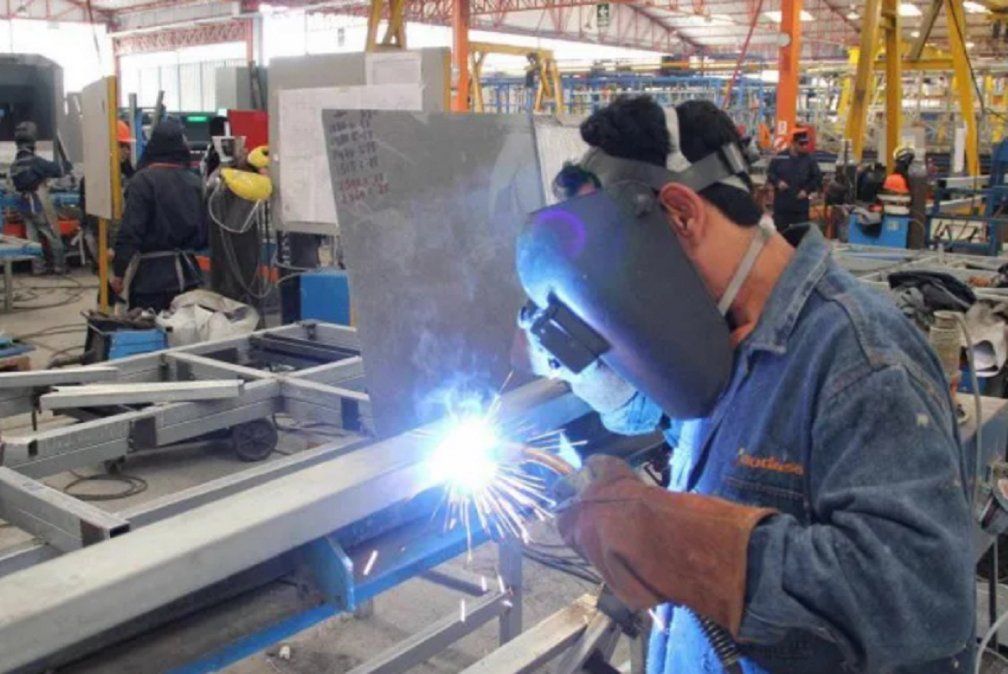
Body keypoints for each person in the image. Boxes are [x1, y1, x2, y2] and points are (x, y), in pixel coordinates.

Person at [517, 96, 973, 672]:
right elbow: (669, 421)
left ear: (680, 214)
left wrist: (678, 540)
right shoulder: (715, 338)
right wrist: (596, 373)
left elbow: (922, 595)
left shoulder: (862, 359)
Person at [111, 118, 205, 313]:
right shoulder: (194, 182)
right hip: (189, 276)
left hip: (150, 281)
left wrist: (119, 272)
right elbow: (203, 234)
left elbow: (131, 232)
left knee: (149, 327)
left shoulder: (142, 181)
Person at [9, 121, 68, 275]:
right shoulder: (36, 162)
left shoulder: (14, 165)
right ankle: (59, 266)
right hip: (38, 201)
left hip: (24, 205)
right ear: (33, 141)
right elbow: (59, 170)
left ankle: (38, 268)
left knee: (32, 238)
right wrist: (67, 165)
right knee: (52, 233)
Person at [80, 120, 135, 271]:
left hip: (121, 243)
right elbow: (93, 218)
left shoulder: (127, 175)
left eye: (128, 147)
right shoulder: (96, 179)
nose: (127, 151)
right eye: (122, 146)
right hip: (105, 242)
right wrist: (109, 246)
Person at [767, 129, 822, 231]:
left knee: (801, 233)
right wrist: (778, 182)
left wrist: (806, 190)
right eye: (801, 144)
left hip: (800, 206)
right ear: (793, 143)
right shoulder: (780, 157)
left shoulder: (809, 160)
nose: (805, 146)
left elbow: (817, 178)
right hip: (782, 205)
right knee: (781, 233)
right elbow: (770, 173)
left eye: (806, 143)